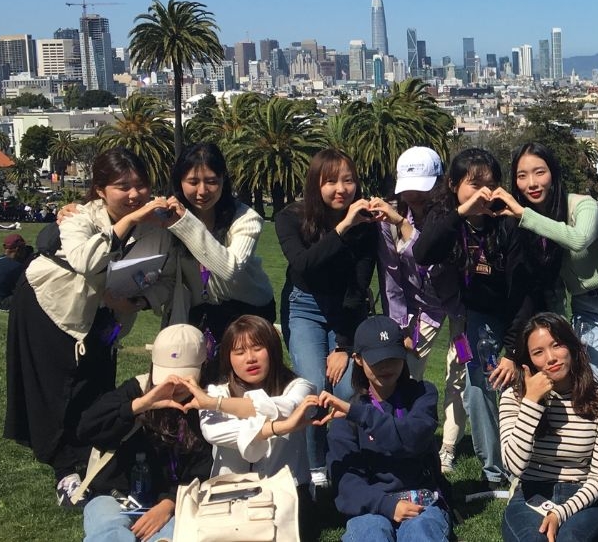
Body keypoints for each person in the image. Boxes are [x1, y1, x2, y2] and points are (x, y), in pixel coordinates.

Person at [4, 147, 177, 506]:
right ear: (100, 190)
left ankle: (91, 456)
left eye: (141, 186)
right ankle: (65, 467)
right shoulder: (80, 218)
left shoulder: (157, 229)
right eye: (122, 186)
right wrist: (131, 219)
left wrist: (138, 302)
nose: (134, 195)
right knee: (58, 389)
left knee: (96, 384)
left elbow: (166, 279)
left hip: (107, 317)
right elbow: (87, 260)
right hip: (51, 306)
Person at [492, 141, 598, 488]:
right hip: (582, 311)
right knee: (590, 393)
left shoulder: (580, 205)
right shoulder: (530, 222)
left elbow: (580, 240)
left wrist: (524, 215)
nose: (531, 183)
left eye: (539, 172)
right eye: (522, 176)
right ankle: (590, 475)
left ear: (554, 175)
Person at [414, 148, 549, 493]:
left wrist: (512, 351)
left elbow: (525, 292)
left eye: (491, 184)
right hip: (479, 315)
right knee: (479, 388)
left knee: (526, 383)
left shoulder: (509, 221)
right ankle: (494, 470)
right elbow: (423, 251)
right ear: (454, 185)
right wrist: (461, 213)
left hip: (522, 313)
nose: (484, 193)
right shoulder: (446, 217)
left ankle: (529, 463)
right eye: (474, 184)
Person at [275, 148, 379, 489]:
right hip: (304, 306)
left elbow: (358, 286)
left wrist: (345, 346)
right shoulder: (291, 218)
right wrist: (344, 225)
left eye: (348, 180)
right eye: (330, 181)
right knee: (314, 387)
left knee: (348, 388)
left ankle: (346, 460)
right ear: (314, 184)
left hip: (345, 311)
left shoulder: (367, 227)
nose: (341, 189)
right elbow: (304, 265)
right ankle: (314, 468)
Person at [369, 146, 468, 474]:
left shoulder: (452, 213)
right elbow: (391, 277)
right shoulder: (390, 221)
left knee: (460, 375)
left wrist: (406, 226)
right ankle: (405, 434)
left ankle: (448, 448)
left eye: (422, 192)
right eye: (408, 192)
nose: (414, 199)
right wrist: (399, 326)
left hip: (458, 308)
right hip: (419, 310)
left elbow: (434, 255)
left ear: (440, 184)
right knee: (406, 369)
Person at [75, 324, 214, 542]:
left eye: (183, 378)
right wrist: (140, 405)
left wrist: (170, 503)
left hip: (180, 500)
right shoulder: (137, 389)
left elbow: (206, 468)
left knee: (176, 535)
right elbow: (86, 429)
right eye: (166, 375)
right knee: (109, 528)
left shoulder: (208, 402)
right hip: (116, 495)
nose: (174, 386)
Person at [322, 315, 451, 542]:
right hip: (371, 505)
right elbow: (345, 482)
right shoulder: (346, 417)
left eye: (393, 358)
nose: (386, 366)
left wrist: (360, 415)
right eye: (376, 360)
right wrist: (385, 505)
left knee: (421, 533)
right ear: (358, 359)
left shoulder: (423, 395)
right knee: (371, 533)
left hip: (420, 498)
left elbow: (412, 439)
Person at [499, 313, 598, 542]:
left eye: (557, 345)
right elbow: (514, 467)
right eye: (538, 352)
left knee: (570, 538)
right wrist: (531, 402)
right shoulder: (513, 399)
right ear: (528, 361)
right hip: (531, 492)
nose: (551, 358)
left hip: (582, 494)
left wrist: (560, 513)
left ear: (572, 347)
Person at [160, 143, 277, 351]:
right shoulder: (170, 217)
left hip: (248, 311)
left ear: (224, 180)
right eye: (193, 182)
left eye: (212, 181)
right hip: (199, 312)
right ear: (179, 182)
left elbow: (229, 269)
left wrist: (185, 223)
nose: (202, 191)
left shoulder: (246, 218)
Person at [184, 315, 317, 499]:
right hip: (229, 494)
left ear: (273, 350)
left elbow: (290, 409)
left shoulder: (301, 387)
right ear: (228, 358)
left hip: (287, 494)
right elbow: (213, 433)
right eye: (239, 352)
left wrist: (218, 405)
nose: (250, 358)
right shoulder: (215, 392)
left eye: (257, 348)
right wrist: (279, 427)